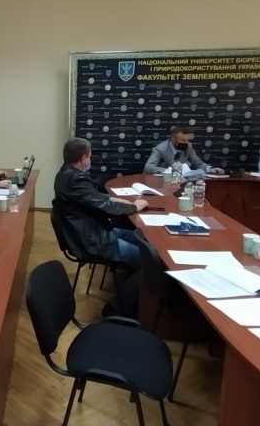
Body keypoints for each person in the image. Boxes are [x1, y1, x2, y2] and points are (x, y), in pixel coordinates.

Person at [53, 138, 148, 317]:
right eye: (90, 156)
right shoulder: (77, 178)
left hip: (90, 230)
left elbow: (93, 197)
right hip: (92, 239)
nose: (90, 159)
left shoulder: (64, 174)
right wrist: (135, 207)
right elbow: (104, 207)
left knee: (140, 238)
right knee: (149, 263)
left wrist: (114, 199)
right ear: (83, 158)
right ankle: (116, 308)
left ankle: (134, 292)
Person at [144, 126, 225, 175]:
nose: (186, 143)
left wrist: (210, 169)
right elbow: (148, 167)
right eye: (183, 140)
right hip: (162, 181)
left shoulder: (188, 146)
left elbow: (198, 163)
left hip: (180, 181)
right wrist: (171, 171)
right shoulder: (160, 149)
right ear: (173, 140)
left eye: (187, 140)